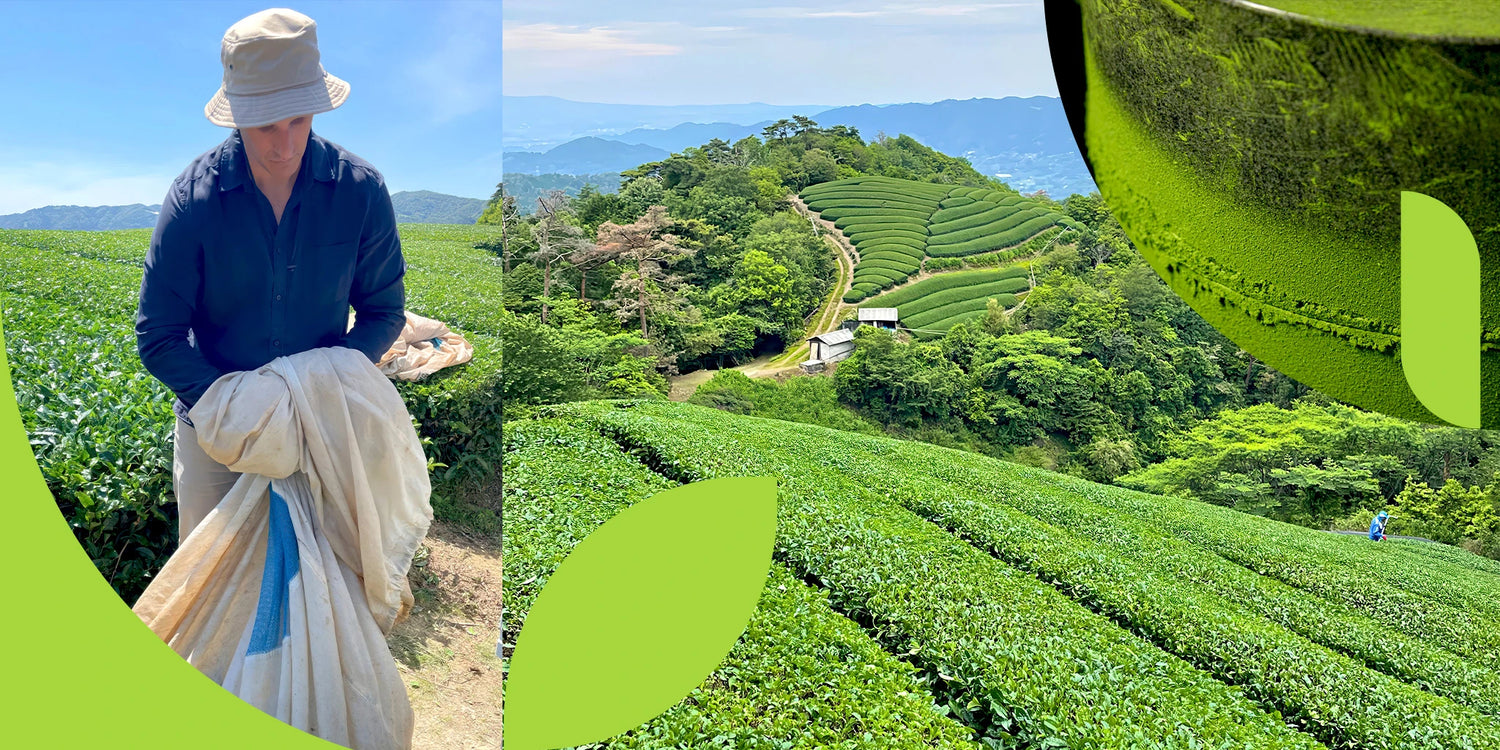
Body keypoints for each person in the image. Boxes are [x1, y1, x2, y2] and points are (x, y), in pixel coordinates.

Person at [136, 8, 406, 544]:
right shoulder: (194, 200)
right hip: (212, 430)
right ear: (236, 116)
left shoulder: (360, 191)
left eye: (299, 120)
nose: (284, 146)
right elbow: (157, 334)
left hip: (316, 425)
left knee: (313, 581)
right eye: (264, 126)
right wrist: (237, 404)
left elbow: (383, 310)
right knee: (210, 585)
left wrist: (321, 386)